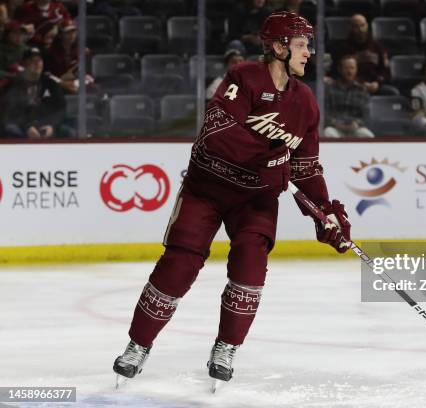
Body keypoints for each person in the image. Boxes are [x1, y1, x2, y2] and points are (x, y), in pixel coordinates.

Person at [113, 11, 351, 386]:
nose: (309, 53)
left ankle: (226, 347)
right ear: (279, 47)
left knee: (250, 271)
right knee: (179, 265)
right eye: (302, 45)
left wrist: (326, 214)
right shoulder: (244, 77)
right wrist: (269, 155)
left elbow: (305, 168)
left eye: (309, 45)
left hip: (255, 201)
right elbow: (215, 133)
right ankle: (138, 345)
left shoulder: (305, 103)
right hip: (206, 190)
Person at [2, 46, 72, 138]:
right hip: (22, 127)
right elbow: (10, 111)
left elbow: (60, 108)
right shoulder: (14, 85)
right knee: (11, 129)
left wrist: (52, 125)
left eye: (39, 60)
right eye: (32, 61)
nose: (37, 64)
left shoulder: (51, 84)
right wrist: (27, 127)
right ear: (24, 64)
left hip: (47, 125)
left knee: (69, 132)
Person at [331, 14, 391, 95]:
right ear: (351, 28)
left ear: (367, 25)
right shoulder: (342, 49)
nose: (360, 29)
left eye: (363, 25)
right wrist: (358, 83)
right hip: (350, 88)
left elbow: (386, 71)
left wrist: (377, 83)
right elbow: (336, 72)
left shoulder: (378, 48)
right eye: (356, 26)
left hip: (374, 87)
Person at [324, 54, 374, 138]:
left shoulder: (362, 90)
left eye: (352, 68)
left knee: (368, 135)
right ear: (340, 69)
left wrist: (357, 123)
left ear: (356, 70)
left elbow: (366, 114)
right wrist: (335, 123)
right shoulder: (330, 89)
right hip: (335, 128)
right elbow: (324, 112)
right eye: (346, 68)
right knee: (328, 133)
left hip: (355, 128)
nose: (349, 71)